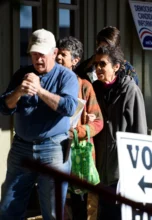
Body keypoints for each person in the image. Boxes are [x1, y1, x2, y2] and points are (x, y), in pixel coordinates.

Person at [0, 29, 78, 219]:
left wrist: (40, 91)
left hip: (52, 149)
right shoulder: (22, 75)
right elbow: (4, 107)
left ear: (54, 53)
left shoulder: (66, 77)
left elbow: (69, 107)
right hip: (21, 148)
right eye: (34, 54)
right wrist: (19, 91)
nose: (38, 59)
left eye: (42, 54)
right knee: (8, 207)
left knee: (52, 211)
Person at [92, 45, 147, 219]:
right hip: (98, 165)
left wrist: (137, 170)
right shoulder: (94, 89)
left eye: (103, 64)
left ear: (116, 67)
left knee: (119, 214)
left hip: (121, 168)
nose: (98, 68)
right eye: (96, 64)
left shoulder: (130, 90)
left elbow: (140, 132)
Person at [56, 36, 103, 220]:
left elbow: (98, 122)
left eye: (63, 55)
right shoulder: (49, 84)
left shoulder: (84, 86)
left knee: (79, 205)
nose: (59, 58)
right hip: (53, 152)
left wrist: (77, 132)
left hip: (78, 156)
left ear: (75, 61)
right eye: (57, 54)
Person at [75, 26, 139, 85]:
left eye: (110, 48)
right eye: (103, 47)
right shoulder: (86, 67)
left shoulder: (127, 70)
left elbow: (131, 93)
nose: (106, 52)